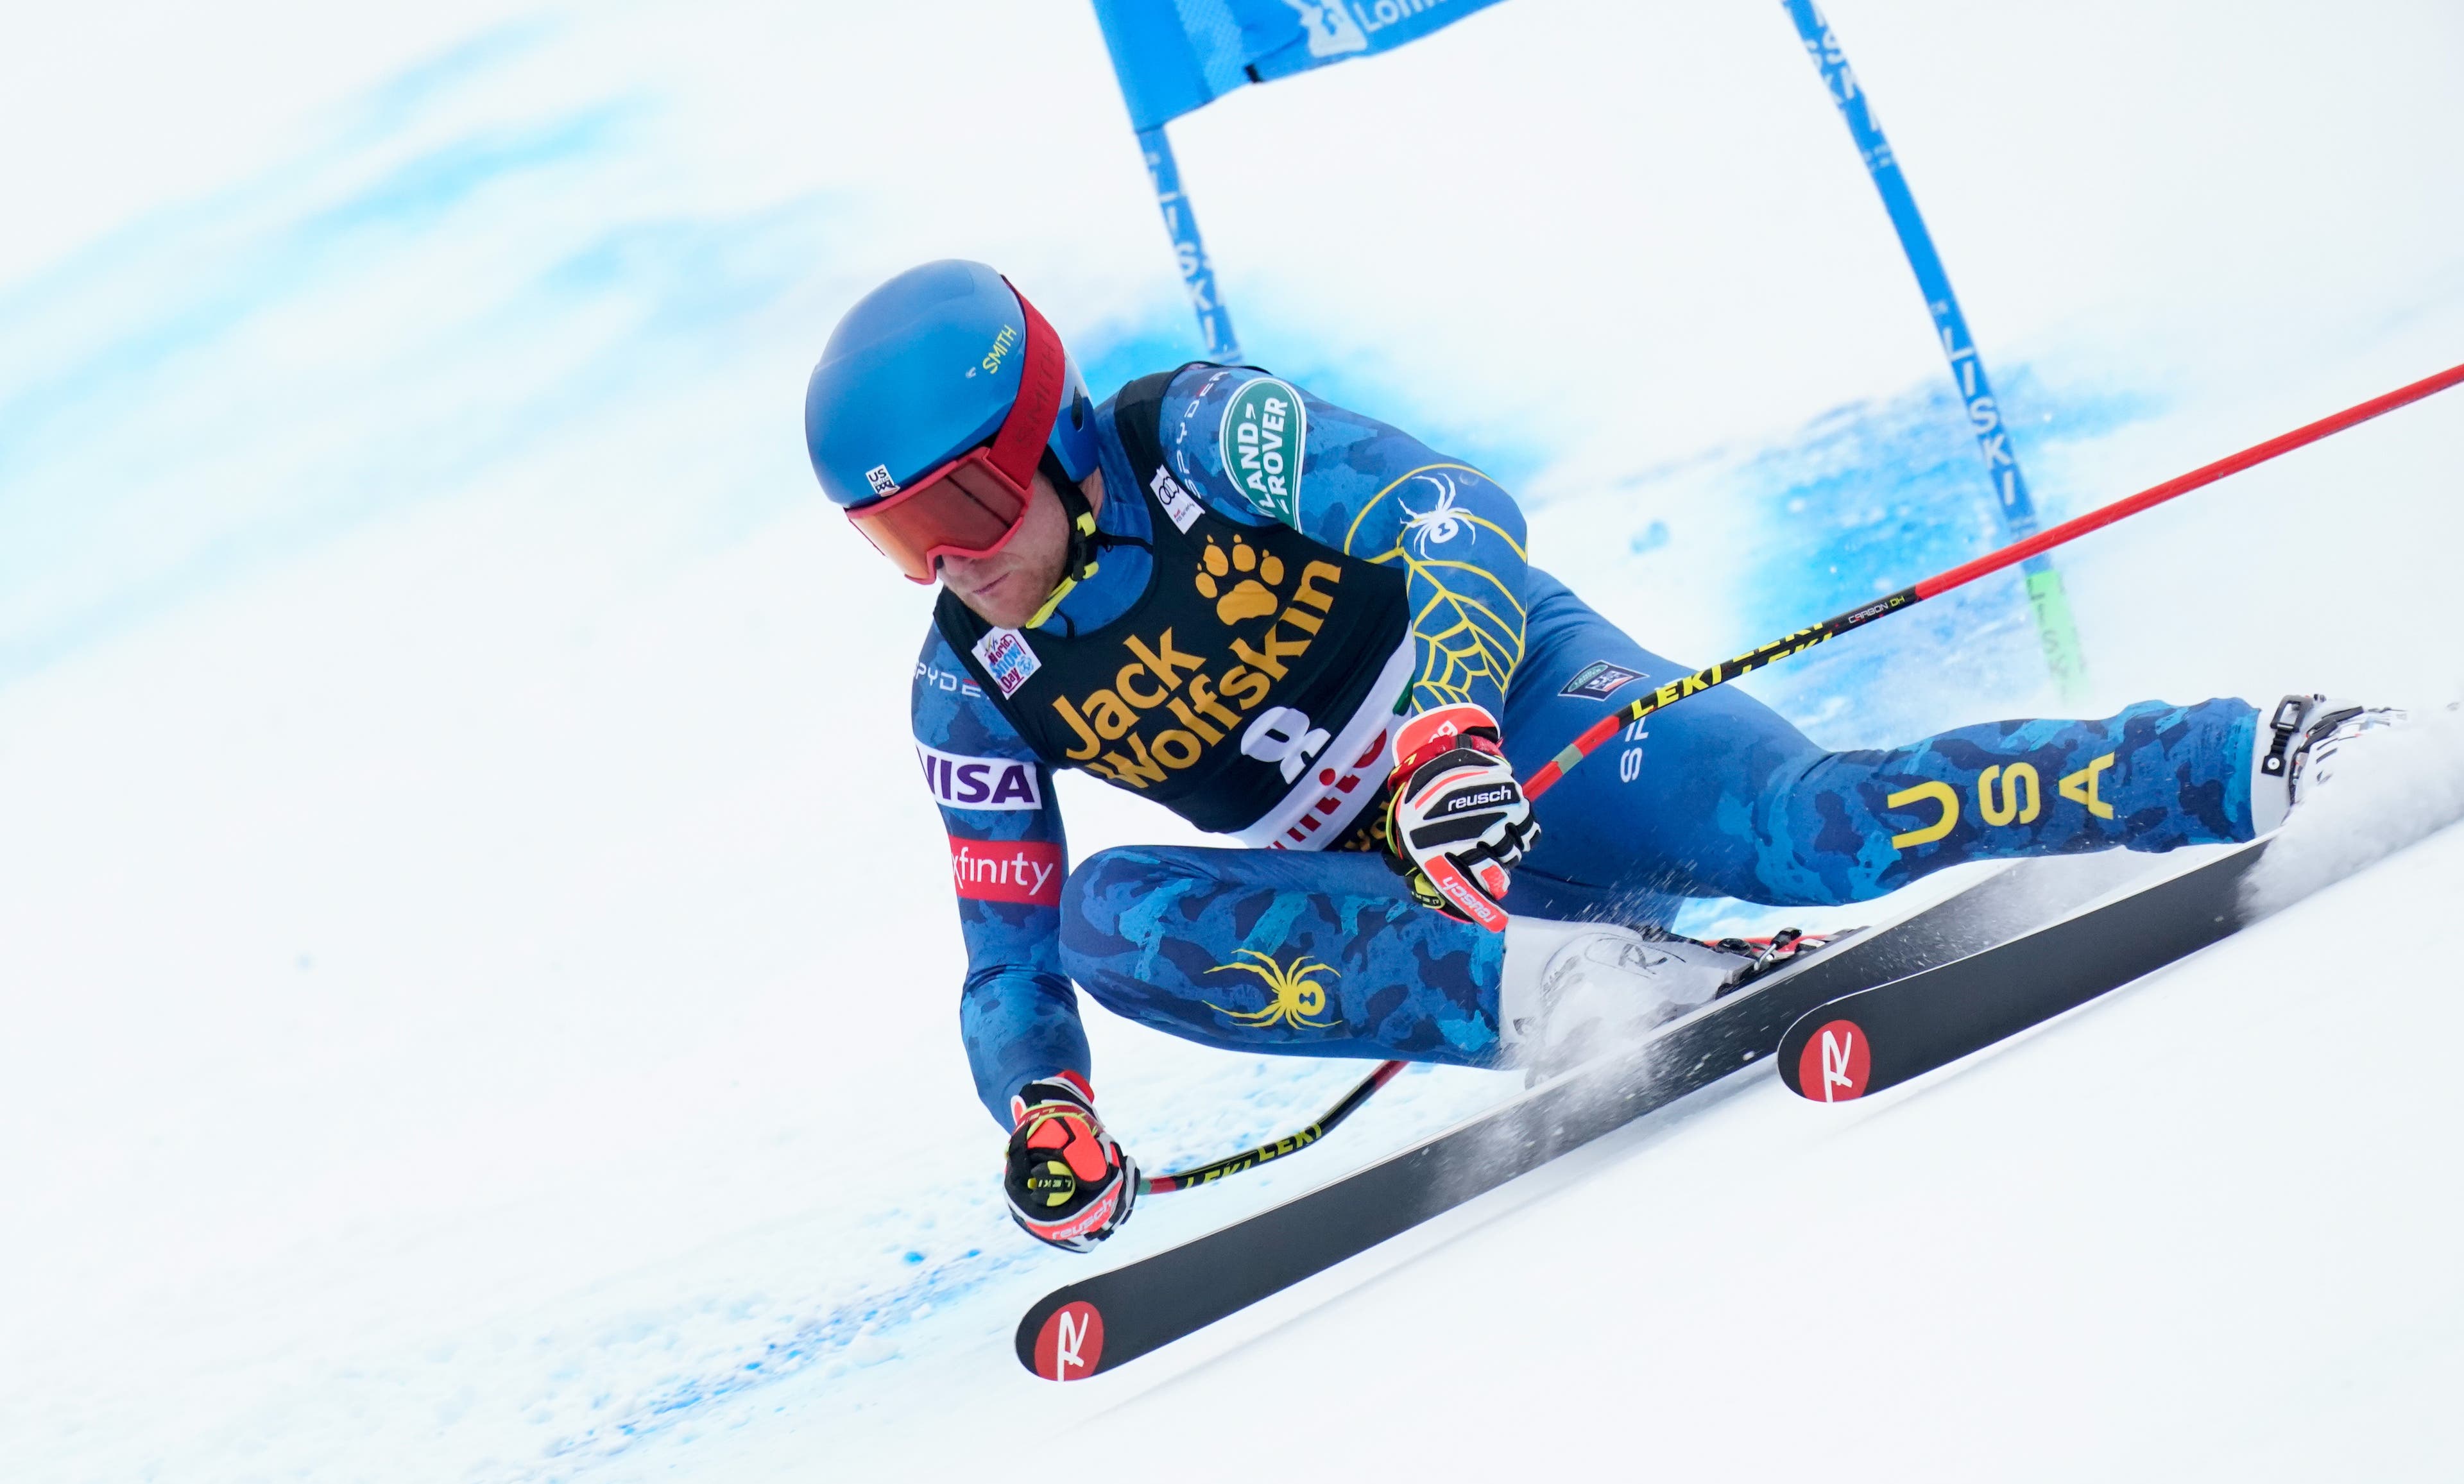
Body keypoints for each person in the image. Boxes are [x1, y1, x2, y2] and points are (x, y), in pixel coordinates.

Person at [803, 259, 2379, 1252]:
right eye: (891, 540)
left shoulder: (1199, 432)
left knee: (1814, 828)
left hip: (1523, 722)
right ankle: (1585, 987)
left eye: (957, 514)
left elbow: (1454, 510)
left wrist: (1452, 718)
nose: (942, 565)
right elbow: (1007, 961)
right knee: (1103, 921)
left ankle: (2257, 757)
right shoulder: (969, 689)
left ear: (1052, 443)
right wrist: (1042, 1111)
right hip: (1412, 895)